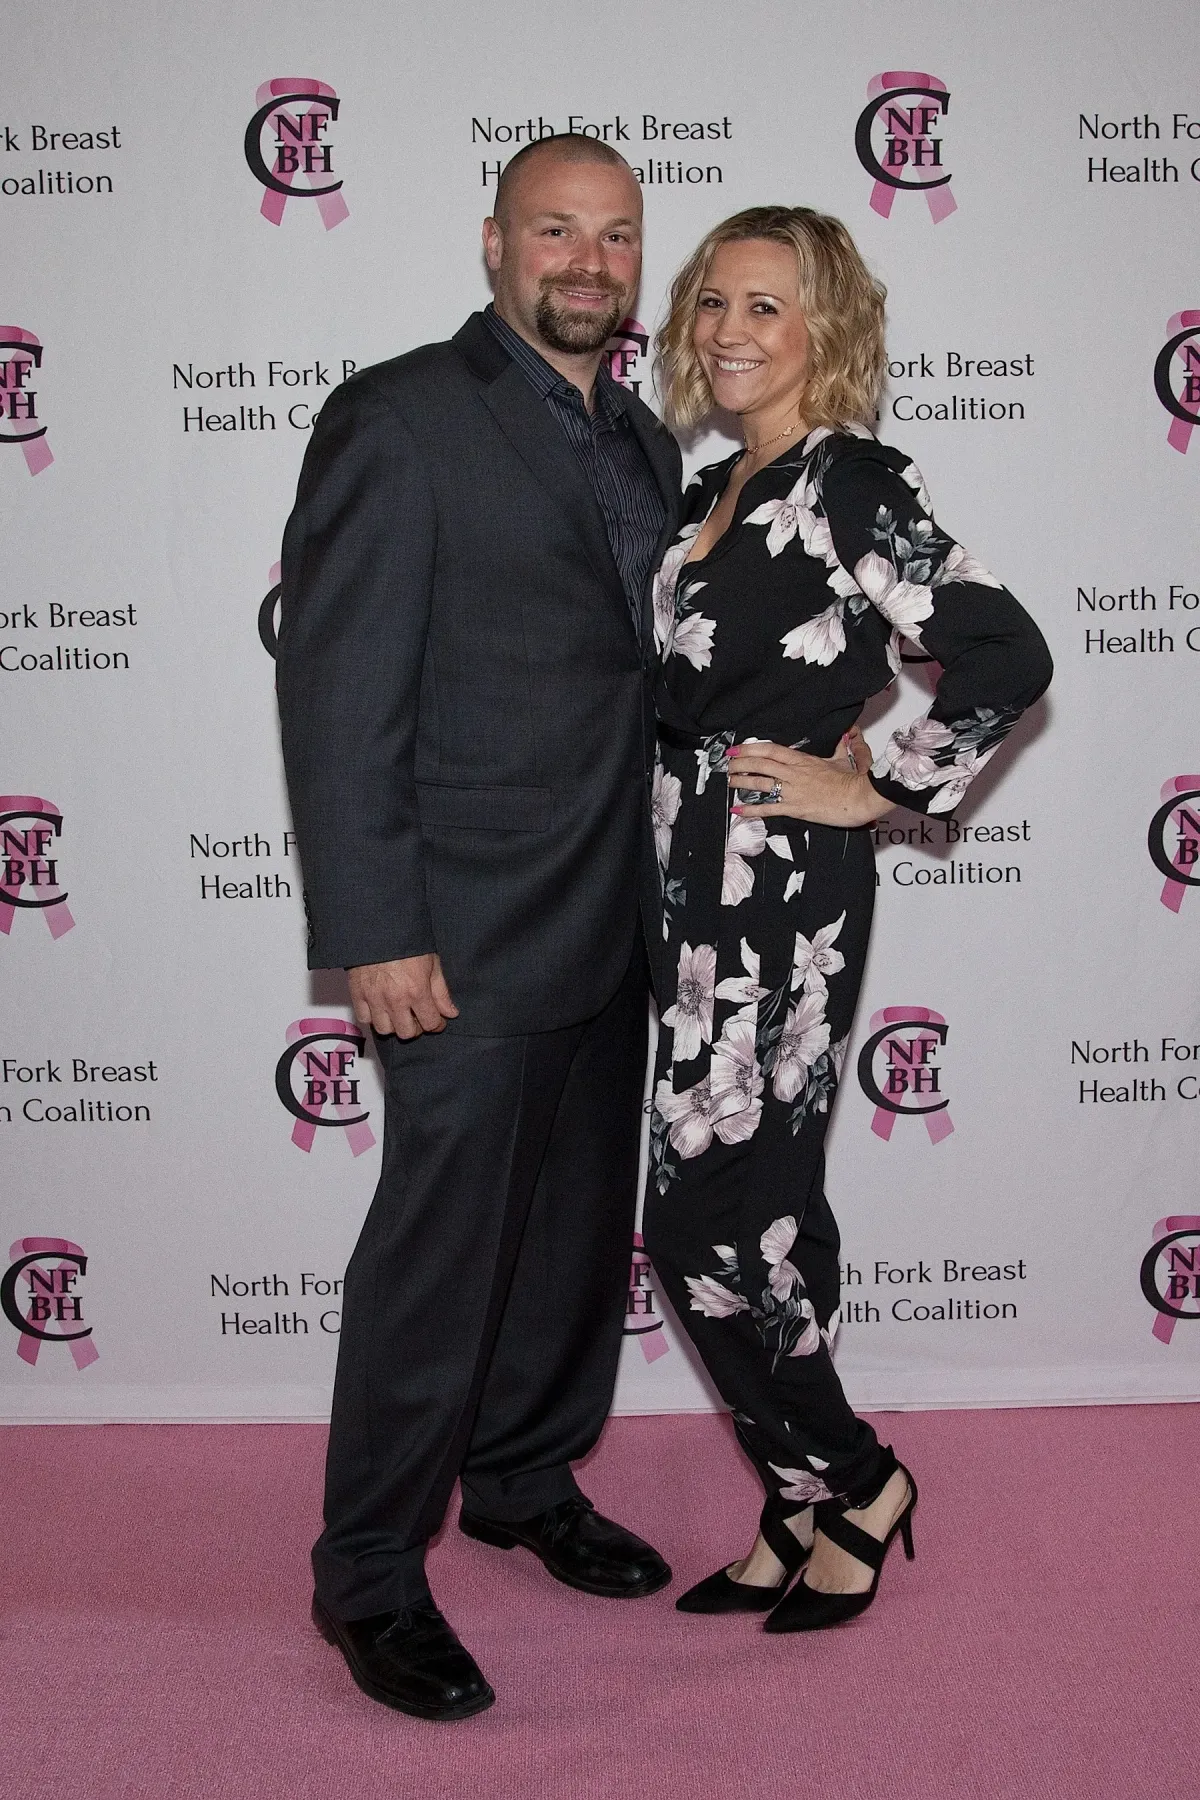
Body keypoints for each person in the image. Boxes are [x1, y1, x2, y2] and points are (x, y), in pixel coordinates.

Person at [276, 135, 682, 1720]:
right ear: (495, 243)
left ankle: (521, 1479)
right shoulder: (400, 417)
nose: (589, 261)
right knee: (438, 1265)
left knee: (573, 1243)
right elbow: (339, 693)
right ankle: (369, 1573)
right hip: (460, 930)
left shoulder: (642, 435)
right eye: (556, 230)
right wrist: (377, 928)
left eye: (617, 235)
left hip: (612, 915)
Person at [642, 206, 1052, 1632]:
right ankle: (799, 1502)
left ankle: (862, 1480)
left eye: (767, 305)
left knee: (701, 1218)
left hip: (776, 894)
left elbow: (1005, 650)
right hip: (685, 887)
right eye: (713, 302)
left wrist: (878, 788)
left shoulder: (846, 482)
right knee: (766, 1212)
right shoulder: (716, 486)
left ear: (828, 329)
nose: (730, 330)